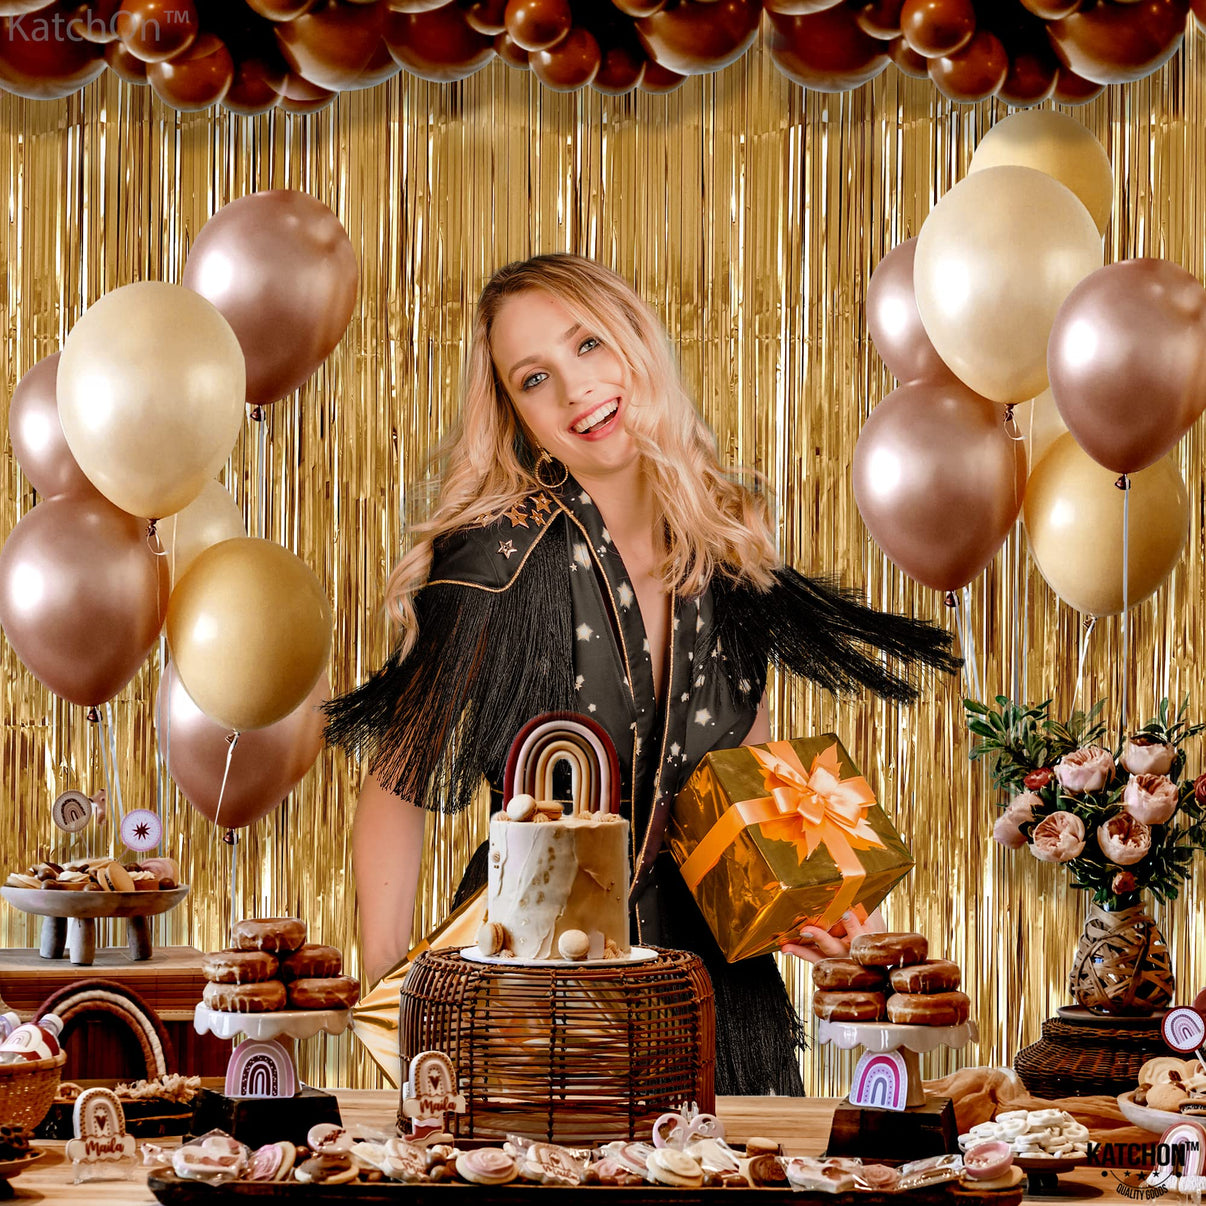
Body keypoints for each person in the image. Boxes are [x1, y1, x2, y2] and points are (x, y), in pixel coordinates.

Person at [325, 253, 959, 1095]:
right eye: (534, 378)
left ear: (634, 339)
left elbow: (738, 776)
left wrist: (805, 908)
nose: (575, 390)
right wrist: (394, 1003)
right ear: (515, 416)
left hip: (714, 992)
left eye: (587, 344)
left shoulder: (728, 538)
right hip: (534, 983)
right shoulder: (493, 560)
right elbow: (398, 786)